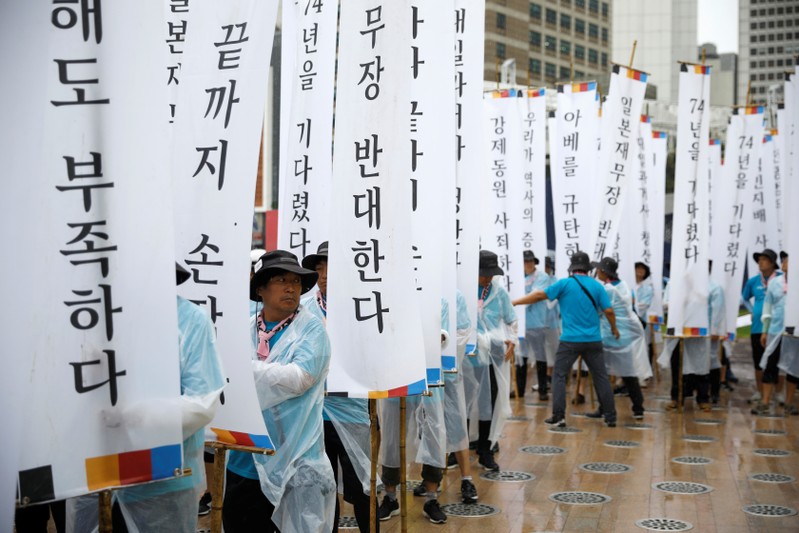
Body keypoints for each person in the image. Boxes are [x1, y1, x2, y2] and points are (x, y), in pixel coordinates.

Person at [69, 263, 226, 533]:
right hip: (96, 467)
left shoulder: (189, 320)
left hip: (163, 474)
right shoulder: (95, 314)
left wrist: (135, 416)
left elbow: (202, 402)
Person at [223, 250, 335, 532]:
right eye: (281, 279)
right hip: (242, 458)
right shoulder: (243, 329)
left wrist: (241, 369)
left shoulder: (312, 330)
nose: (291, 288)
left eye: (296, 282)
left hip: (294, 461)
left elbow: (300, 378)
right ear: (260, 288)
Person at [301, 242, 378, 533]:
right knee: (323, 488)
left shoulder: (362, 308)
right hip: (313, 415)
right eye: (318, 269)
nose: (323, 275)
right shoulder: (305, 310)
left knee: (363, 489)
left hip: (354, 412)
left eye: (329, 267)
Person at [512, 252, 618, 428]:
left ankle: (559, 416)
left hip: (570, 340)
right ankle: (610, 416)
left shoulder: (564, 284)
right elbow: (609, 311)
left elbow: (538, 296)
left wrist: (516, 302)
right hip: (593, 340)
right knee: (601, 376)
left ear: (572, 269)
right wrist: (614, 328)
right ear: (587, 269)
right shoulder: (597, 286)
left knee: (559, 375)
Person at [463, 250, 517, 471]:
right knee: (463, 403)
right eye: (484, 274)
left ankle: (485, 449)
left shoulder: (498, 292)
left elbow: (511, 319)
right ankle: (459, 449)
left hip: (492, 356)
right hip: (468, 356)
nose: (487, 278)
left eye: (490, 274)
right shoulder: (463, 291)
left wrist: (512, 340)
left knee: (488, 403)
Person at [586, 258, 646, 420]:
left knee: (601, 374)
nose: (597, 272)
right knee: (628, 373)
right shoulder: (624, 285)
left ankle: (603, 408)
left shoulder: (607, 289)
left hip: (610, 334)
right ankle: (638, 408)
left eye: (599, 269)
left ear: (604, 272)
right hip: (625, 336)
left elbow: (603, 311)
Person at [442, 291, 479, 504]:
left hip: (447, 370)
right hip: (417, 370)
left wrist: (442, 342)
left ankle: (466, 478)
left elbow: (464, 330)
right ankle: (429, 480)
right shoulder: (410, 285)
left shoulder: (454, 294)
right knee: (423, 429)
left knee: (456, 425)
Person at [753, 252, 798, 415]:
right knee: (770, 365)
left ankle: (789, 402)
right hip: (775, 329)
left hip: (795, 332)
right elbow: (768, 306)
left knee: (793, 367)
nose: (785, 263)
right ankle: (765, 402)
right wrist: (764, 330)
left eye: (788, 260)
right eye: (784, 261)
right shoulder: (775, 283)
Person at [742, 248, 781, 404]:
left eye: (764, 260)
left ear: (772, 263)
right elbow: (744, 298)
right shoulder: (753, 281)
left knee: (776, 360)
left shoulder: (781, 279)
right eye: (759, 260)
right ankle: (759, 392)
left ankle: (777, 393)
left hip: (776, 327)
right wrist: (752, 311)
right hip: (758, 327)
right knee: (758, 361)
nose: (760, 263)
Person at [518, 250, 556, 401]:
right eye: (525, 261)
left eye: (530, 261)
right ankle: (519, 390)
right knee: (521, 356)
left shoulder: (541, 276)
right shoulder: (518, 277)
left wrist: (517, 303)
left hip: (537, 323)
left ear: (534, 262)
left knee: (540, 355)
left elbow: (535, 295)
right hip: (521, 323)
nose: (528, 264)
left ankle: (542, 389)